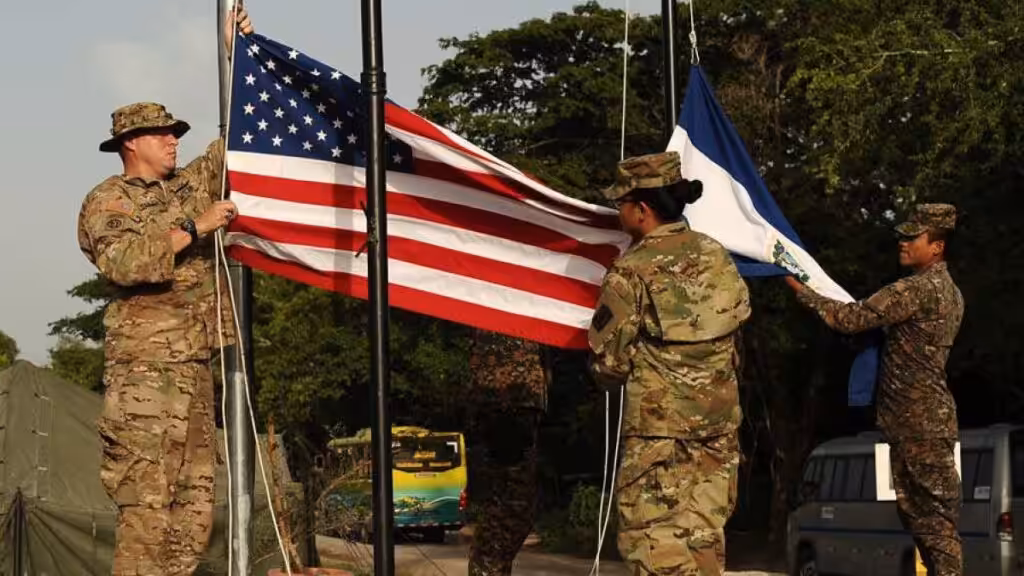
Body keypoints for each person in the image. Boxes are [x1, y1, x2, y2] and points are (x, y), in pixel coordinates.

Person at [76, 8, 254, 575]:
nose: (173, 141)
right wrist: (196, 228)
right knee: (147, 520)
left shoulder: (187, 185)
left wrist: (238, 55)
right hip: (144, 379)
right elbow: (123, 262)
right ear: (130, 143)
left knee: (192, 523)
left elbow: (236, 136)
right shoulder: (109, 199)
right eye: (161, 133)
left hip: (196, 370)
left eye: (175, 133)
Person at [588, 151, 751, 575]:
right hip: (719, 432)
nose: (618, 212)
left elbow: (609, 364)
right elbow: (736, 340)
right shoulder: (716, 255)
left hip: (659, 438)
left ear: (642, 209)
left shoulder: (631, 270)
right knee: (703, 542)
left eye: (621, 203)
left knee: (653, 543)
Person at [783, 203, 964, 576]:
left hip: (919, 423)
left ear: (937, 247)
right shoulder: (949, 291)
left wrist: (799, 286)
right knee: (923, 518)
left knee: (934, 523)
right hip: (920, 420)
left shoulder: (917, 289)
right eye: (902, 236)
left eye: (913, 237)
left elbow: (849, 318)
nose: (903, 242)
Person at [464, 330, 547, 576]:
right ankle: (486, 569)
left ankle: (488, 568)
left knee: (509, 505)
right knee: (511, 506)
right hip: (509, 402)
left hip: (512, 401)